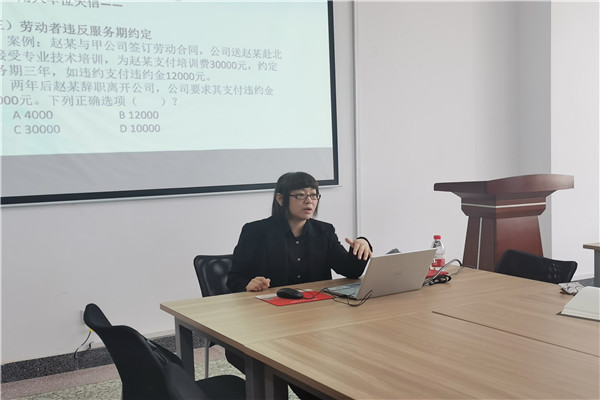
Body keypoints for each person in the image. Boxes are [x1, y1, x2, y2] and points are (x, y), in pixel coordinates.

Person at [225, 171, 373, 399]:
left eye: (314, 195)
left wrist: (362, 243)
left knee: (345, 364)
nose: (309, 201)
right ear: (281, 199)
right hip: (270, 325)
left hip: (315, 323)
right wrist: (248, 283)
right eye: (301, 195)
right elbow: (234, 278)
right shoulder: (255, 232)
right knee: (305, 376)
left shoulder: (324, 231)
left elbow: (350, 270)